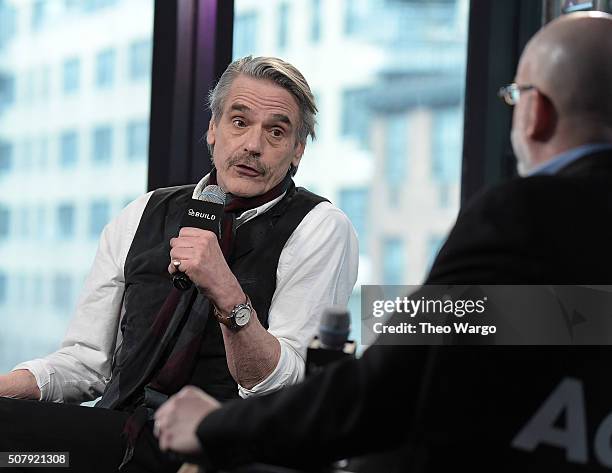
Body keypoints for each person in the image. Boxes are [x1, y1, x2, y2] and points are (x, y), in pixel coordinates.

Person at [154, 11, 612, 472]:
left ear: (537, 114)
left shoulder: (523, 213)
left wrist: (215, 429)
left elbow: (390, 381)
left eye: (515, 98)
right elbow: (563, 323)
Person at [0, 56, 358, 472]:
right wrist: (6, 387)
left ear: (297, 151)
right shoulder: (143, 212)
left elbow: (286, 388)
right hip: (114, 440)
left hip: (220, 447)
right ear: (213, 129)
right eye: (238, 122)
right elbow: (86, 363)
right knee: (16, 456)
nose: (252, 145)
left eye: (276, 132)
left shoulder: (320, 228)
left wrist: (226, 293)